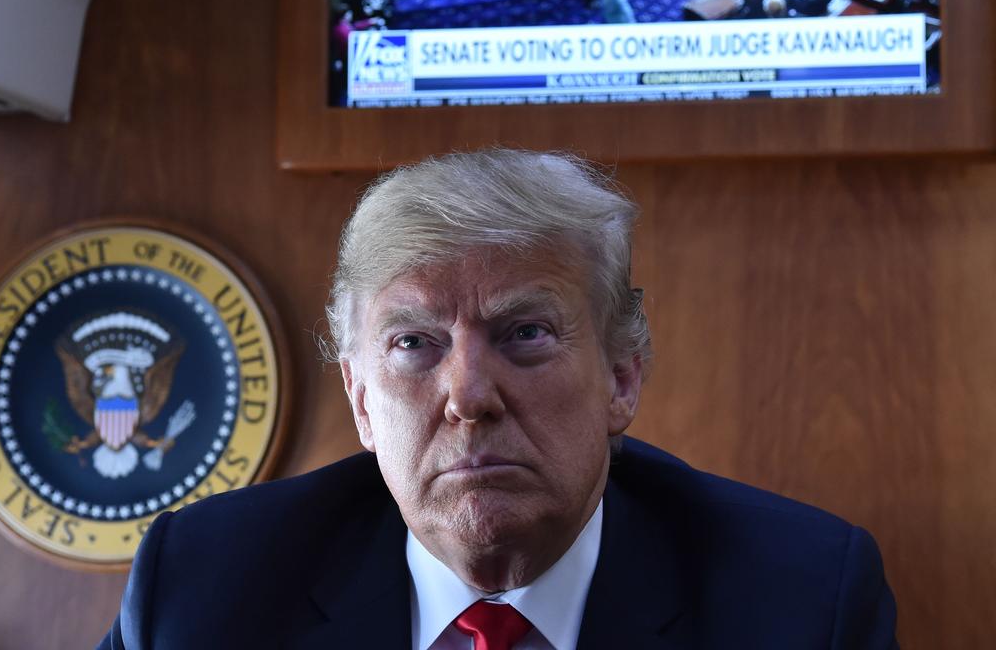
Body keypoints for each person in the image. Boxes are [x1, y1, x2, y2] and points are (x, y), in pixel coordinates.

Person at [98, 149, 899, 649]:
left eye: (525, 334)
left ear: (623, 376)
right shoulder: (204, 591)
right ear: (363, 402)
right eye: (414, 343)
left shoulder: (800, 602)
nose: (468, 395)